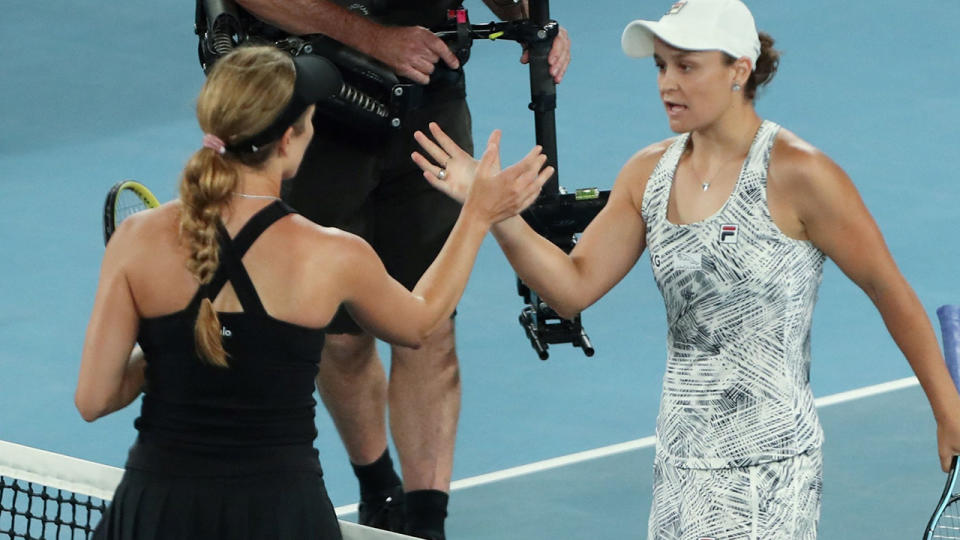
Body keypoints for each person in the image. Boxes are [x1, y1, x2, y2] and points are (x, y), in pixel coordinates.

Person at [410, 0, 960, 537]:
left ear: (738, 71)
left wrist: (947, 408)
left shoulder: (801, 174)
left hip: (768, 473)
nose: (666, 84)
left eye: (687, 66)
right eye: (661, 66)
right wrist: (492, 213)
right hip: (680, 462)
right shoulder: (647, 173)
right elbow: (571, 289)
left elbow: (888, 288)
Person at [74, 45, 551, 540]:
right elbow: (420, 322)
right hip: (280, 517)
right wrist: (476, 215)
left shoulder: (136, 239)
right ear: (288, 140)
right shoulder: (332, 255)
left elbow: (94, 398)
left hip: (156, 514)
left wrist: (177, 353)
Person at [225, 1, 570, 538]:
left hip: (431, 98)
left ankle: (427, 522)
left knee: (428, 328)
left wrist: (528, 16)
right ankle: (377, 486)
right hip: (318, 109)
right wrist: (373, 38)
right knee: (339, 337)